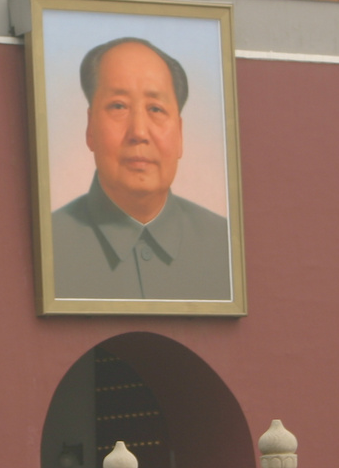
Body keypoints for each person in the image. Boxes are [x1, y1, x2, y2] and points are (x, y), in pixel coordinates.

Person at [50, 37, 231, 301]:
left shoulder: (225, 246)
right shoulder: (50, 244)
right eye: (119, 106)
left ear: (180, 134)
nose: (139, 132)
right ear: (90, 128)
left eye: (156, 109)